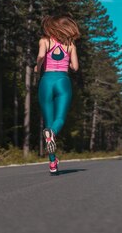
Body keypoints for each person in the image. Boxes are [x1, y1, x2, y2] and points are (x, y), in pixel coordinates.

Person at [34, 14, 80, 174]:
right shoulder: (70, 45)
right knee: (59, 119)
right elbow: (75, 67)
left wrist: (37, 67)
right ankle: (51, 135)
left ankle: (53, 162)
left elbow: (40, 56)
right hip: (63, 81)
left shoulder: (44, 41)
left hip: (46, 81)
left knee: (49, 121)